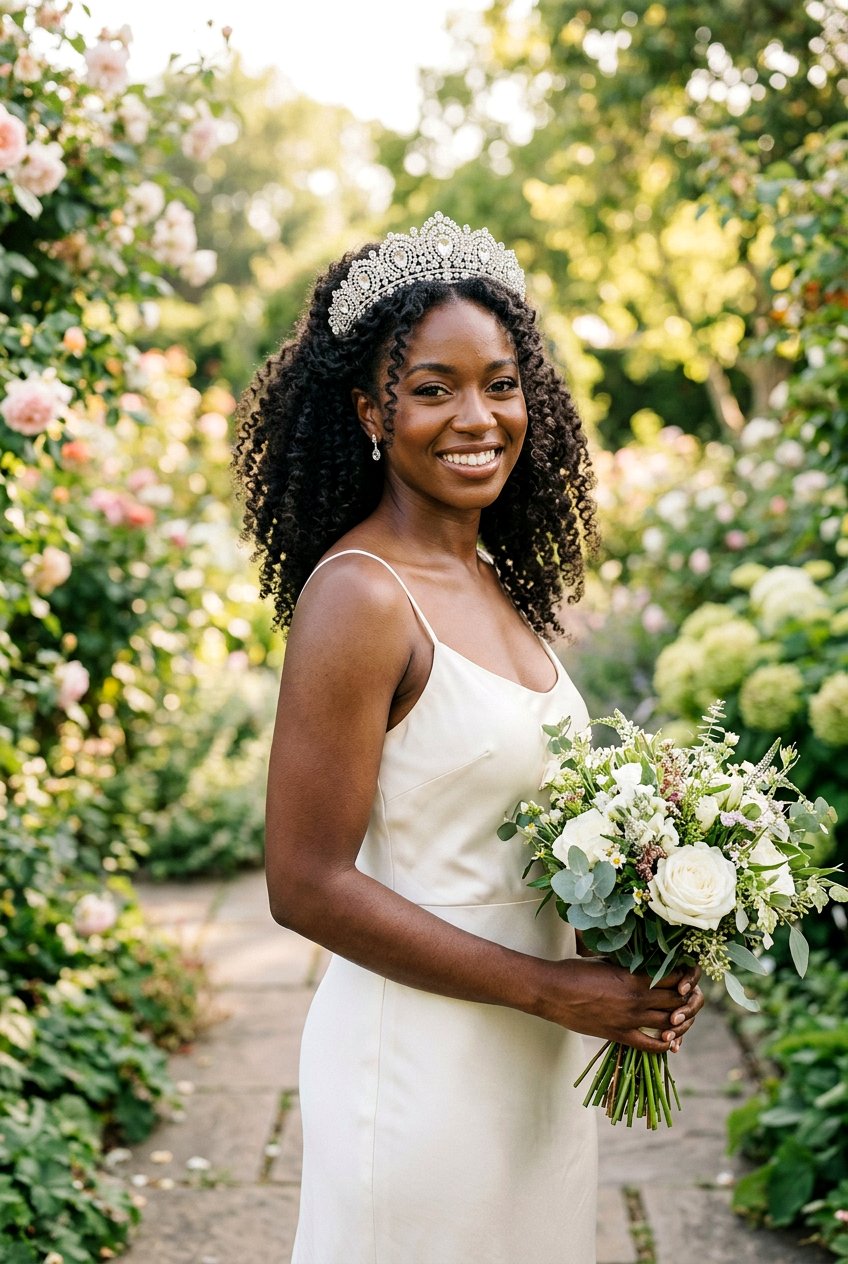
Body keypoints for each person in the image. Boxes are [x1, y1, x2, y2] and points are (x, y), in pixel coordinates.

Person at [233, 213, 704, 1264]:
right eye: (431, 387)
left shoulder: (498, 588)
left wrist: (639, 941)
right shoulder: (360, 598)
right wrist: (546, 986)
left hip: (536, 1058)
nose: (475, 416)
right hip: (419, 1065)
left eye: (498, 382)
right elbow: (303, 881)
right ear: (368, 410)